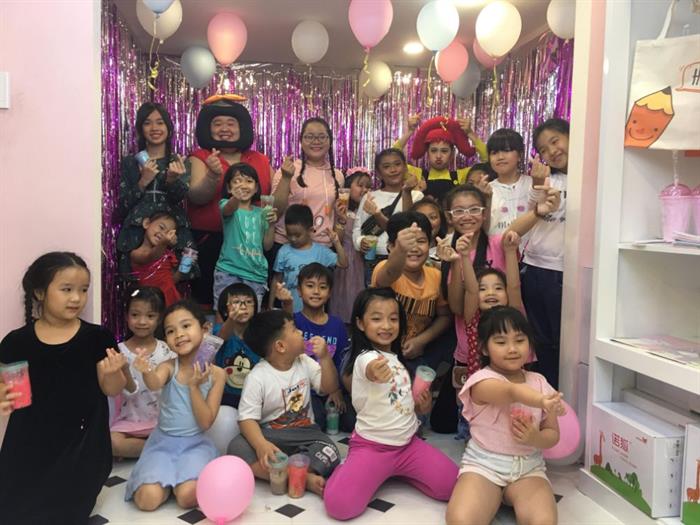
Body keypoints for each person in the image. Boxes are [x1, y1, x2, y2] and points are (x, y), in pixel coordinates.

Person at [0, 252, 127, 524]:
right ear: (39, 292)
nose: (77, 298)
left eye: (83, 290)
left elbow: (113, 389)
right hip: (29, 446)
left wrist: (113, 373)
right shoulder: (16, 342)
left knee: (62, 515)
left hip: (82, 448)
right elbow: (13, 396)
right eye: (67, 289)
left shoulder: (97, 337)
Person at [324, 288, 458, 521]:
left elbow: (404, 405)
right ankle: (350, 468)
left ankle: (397, 472)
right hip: (372, 448)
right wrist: (374, 371)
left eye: (393, 319)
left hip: (408, 446)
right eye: (377, 319)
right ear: (360, 323)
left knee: (452, 486)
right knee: (339, 507)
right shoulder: (365, 357)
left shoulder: (399, 362)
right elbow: (370, 368)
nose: (386, 326)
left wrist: (422, 406)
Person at [446, 306, 563, 525]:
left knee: (544, 522)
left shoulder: (539, 382)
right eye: (501, 342)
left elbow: (552, 434)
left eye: (520, 340)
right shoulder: (481, 380)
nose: (512, 349)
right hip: (483, 467)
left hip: (528, 469)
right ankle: (490, 495)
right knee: (461, 520)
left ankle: (512, 494)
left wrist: (535, 438)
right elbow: (510, 391)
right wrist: (541, 400)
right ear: (484, 348)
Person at [227, 310, 341, 496]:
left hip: (306, 433)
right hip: (271, 436)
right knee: (237, 446)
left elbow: (329, 387)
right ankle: (303, 477)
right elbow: (246, 419)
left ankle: (289, 473)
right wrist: (261, 445)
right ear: (281, 346)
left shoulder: (304, 361)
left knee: (330, 450)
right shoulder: (257, 377)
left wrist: (325, 358)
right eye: (295, 330)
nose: (301, 333)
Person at [125, 300, 225, 511]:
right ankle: (164, 481)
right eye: (171, 331)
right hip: (163, 443)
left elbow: (206, 422)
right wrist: (147, 371)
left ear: (205, 329)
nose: (179, 334)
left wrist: (194, 387)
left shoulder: (217, 375)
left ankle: (177, 481)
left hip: (195, 444)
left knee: (188, 497)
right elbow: (154, 383)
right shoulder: (168, 366)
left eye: (186, 326)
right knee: (147, 500)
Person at [187, 94, 278, 309]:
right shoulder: (200, 156)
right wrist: (212, 175)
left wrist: (286, 179)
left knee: (250, 306)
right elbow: (196, 196)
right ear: (208, 128)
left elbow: (274, 202)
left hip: (252, 245)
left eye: (231, 123)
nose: (224, 128)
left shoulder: (260, 159)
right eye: (217, 123)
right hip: (210, 243)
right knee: (213, 305)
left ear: (242, 127)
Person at [505, 118, 569, 389]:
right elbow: (519, 226)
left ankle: (565, 396)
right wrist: (540, 193)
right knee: (541, 342)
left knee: (565, 342)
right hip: (536, 268)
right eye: (543, 149)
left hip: (568, 271)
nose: (552, 151)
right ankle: (546, 395)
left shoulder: (594, 177)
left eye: (555, 141)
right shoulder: (545, 181)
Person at [117, 102, 193, 280]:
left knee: (175, 275)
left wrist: (172, 181)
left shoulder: (179, 161)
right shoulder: (130, 162)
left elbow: (179, 199)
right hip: (137, 230)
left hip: (171, 226)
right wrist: (143, 181)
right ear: (140, 129)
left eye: (160, 122)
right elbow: (123, 207)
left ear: (168, 127)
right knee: (139, 281)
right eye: (147, 123)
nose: (154, 128)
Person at [372, 212, 452, 372]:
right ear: (391, 247)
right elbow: (389, 273)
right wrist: (401, 250)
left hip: (416, 357)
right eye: (406, 243)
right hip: (379, 354)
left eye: (421, 241)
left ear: (430, 244)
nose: (414, 248)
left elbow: (445, 316)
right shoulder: (384, 268)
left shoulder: (436, 276)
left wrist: (421, 341)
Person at [111, 287, 176, 458]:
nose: (142, 321)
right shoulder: (119, 351)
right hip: (129, 422)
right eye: (135, 315)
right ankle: (158, 449)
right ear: (126, 316)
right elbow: (125, 390)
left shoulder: (167, 350)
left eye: (150, 316)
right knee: (112, 443)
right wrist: (124, 369)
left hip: (161, 422)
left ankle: (150, 449)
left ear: (159, 318)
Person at [293, 263, 355, 433]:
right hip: (305, 390)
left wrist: (336, 389)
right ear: (299, 290)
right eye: (310, 286)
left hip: (331, 387)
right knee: (317, 421)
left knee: (351, 420)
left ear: (329, 293)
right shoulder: (294, 321)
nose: (316, 292)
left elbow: (342, 362)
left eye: (322, 287)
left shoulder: (337, 324)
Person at [271, 117, 346, 253]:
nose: (316, 141)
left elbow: (336, 217)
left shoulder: (337, 176)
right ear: (301, 141)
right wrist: (286, 178)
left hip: (323, 249)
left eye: (322, 137)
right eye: (309, 137)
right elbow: (274, 210)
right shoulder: (288, 169)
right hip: (287, 245)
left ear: (330, 141)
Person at [352, 148, 423, 282]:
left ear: (405, 168)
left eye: (397, 164)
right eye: (386, 167)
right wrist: (360, 242)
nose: (393, 170)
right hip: (374, 259)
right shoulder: (370, 197)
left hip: (407, 259)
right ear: (379, 173)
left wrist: (406, 192)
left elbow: (408, 227)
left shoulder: (416, 196)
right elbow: (357, 228)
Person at [213, 162, 277, 309]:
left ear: (256, 188)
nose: (243, 185)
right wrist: (236, 197)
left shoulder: (261, 213)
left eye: (249, 181)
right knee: (224, 313)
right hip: (229, 271)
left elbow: (267, 246)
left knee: (250, 316)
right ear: (229, 188)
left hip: (255, 274)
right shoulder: (225, 204)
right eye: (237, 181)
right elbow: (229, 208)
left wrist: (272, 224)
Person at [269, 204, 347, 312]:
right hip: (289, 311)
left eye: (297, 235)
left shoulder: (321, 252)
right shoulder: (284, 251)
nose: (293, 239)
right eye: (289, 234)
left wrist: (336, 242)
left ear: (310, 230)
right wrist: (271, 305)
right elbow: (277, 280)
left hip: (314, 313)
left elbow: (343, 263)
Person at [396, 114, 487, 203]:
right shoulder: (417, 176)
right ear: (427, 153)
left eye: (444, 151)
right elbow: (392, 156)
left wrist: (470, 133)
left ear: (452, 154)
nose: (438, 156)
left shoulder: (462, 176)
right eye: (434, 150)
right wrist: (409, 132)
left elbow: (488, 162)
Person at [329, 168, 372, 323]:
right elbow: (337, 240)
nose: (365, 190)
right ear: (348, 187)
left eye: (368, 187)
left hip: (363, 261)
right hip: (345, 259)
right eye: (360, 185)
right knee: (343, 296)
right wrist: (341, 219)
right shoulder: (340, 208)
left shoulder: (368, 211)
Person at [130, 211, 183, 306]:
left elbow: (172, 280)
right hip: (151, 301)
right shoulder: (136, 253)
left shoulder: (167, 254)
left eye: (168, 233)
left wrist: (185, 266)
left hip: (170, 299)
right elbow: (151, 256)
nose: (163, 234)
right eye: (161, 227)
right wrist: (164, 242)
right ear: (147, 223)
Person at [484, 128, 531, 236]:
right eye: (494, 153)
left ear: (520, 155)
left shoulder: (532, 184)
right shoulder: (487, 189)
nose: (500, 157)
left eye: (506, 150)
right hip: (496, 246)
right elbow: (483, 230)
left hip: (530, 246)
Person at [411, 197, 447, 266]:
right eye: (422, 217)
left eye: (433, 217)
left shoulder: (449, 247)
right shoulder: (405, 249)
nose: (427, 222)